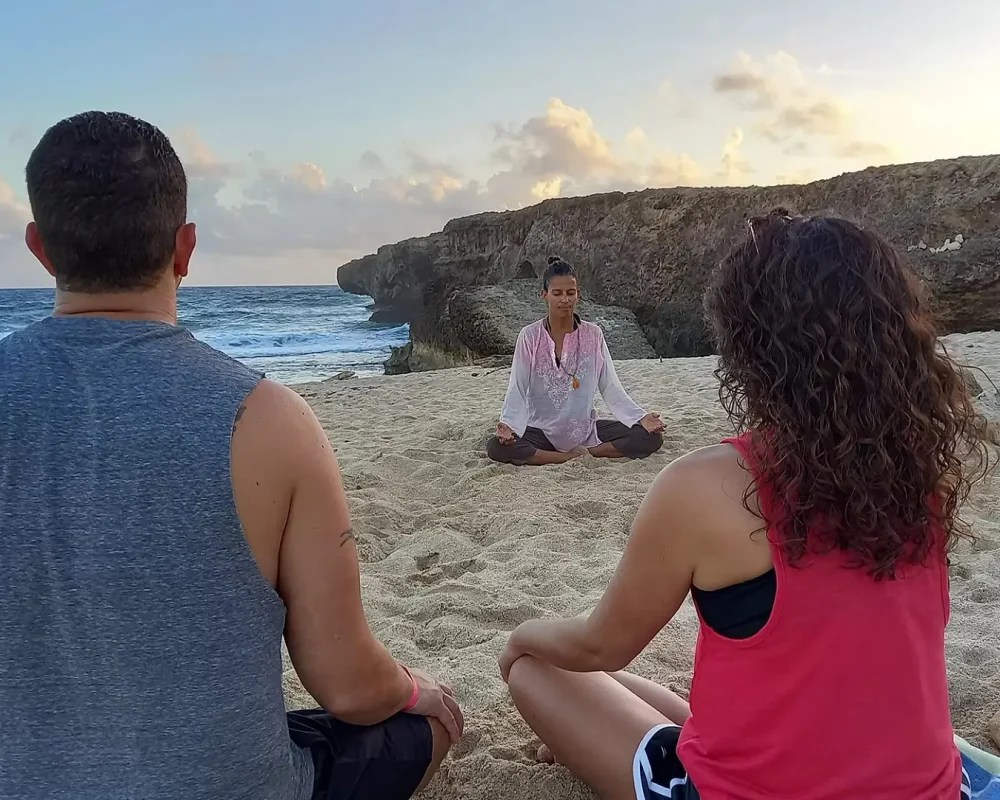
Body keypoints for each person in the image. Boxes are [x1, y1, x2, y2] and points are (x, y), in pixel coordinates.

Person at [0, 111, 462, 800]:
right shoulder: (271, 422)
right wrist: (423, 692)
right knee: (425, 728)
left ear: (39, 248)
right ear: (185, 249)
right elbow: (346, 685)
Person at [497, 210, 984, 799]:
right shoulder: (916, 477)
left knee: (536, 668)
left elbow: (601, 644)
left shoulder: (707, 485)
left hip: (746, 790)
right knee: (627, 689)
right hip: (926, 788)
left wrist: (520, 636)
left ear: (747, 347)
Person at [487, 256, 664, 466]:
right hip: (541, 431)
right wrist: (510, 425)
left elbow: (609, 386)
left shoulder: (593, 334)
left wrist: (641, 417)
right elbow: (517, 386)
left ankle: (589, 452)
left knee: (650, 437)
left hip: (584, 430)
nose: (565, 299)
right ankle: (566, 457)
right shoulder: (530, 336)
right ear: (544, 295)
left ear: (578, 294)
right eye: (557, 293)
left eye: (570, 293)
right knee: (495, 447)